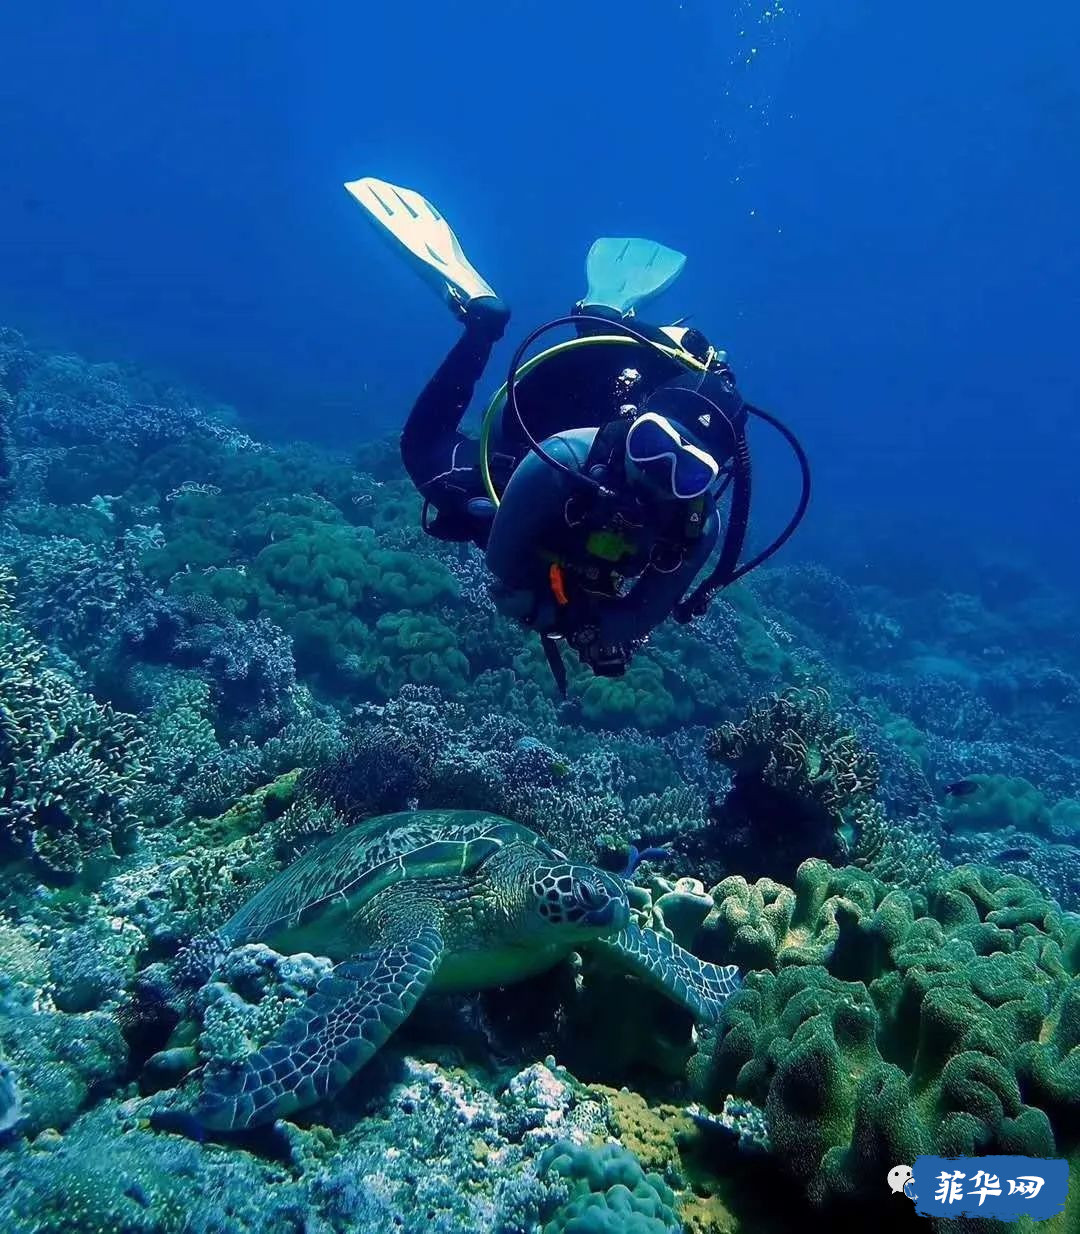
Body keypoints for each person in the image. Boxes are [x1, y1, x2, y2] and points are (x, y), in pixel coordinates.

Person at [346, 178, 809, 688]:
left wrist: (596, 629)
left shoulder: (698, 529)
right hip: (540, 421)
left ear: (714, 480)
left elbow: (640, 615)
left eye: (689, 472)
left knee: (607, 361)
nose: (660, 476)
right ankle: (484, 325)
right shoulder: (566, 454)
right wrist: (563, 616)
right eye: (653, 446)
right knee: (424, 452)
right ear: (634, 424)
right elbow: (504, 566)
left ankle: (605, 318)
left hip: (620, 405)